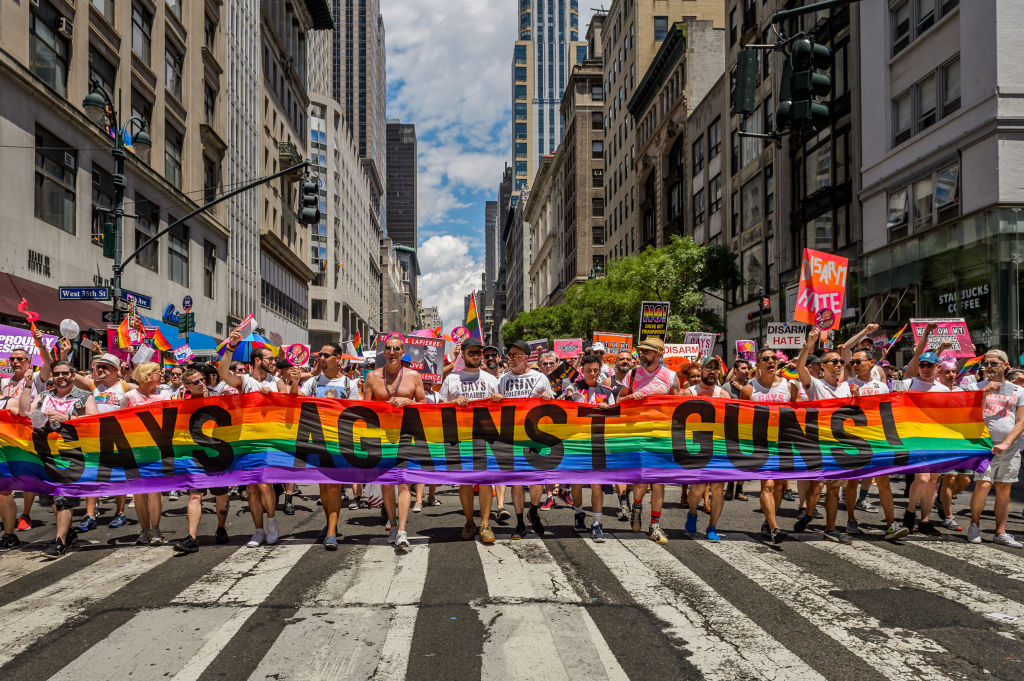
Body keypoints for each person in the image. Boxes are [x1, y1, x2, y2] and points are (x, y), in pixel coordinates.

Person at [17, 360, 97, 557]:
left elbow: (95, 422)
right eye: (56, 374)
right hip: (45, 454)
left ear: (72, 375)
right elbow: (23, 412)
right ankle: (68, 532)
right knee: (51, 496)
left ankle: (59, 542)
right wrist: (28, 386)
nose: (60, 377)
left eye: (64, 373)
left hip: (71, 455)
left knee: (63, 497)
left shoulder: (84, 397)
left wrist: (67, 419)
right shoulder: (45, 396)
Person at [217, 333, 286, 547]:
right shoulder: (245, 381)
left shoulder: (278, 382)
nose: (273, 362)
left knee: (266, 484)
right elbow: (222, 372)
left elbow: (288, 406)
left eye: (273, 359)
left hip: (269, 438)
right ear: (257, 361)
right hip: (247, 438)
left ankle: (272, 521)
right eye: (269, 359)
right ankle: (258, 530)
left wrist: (273, 397)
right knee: (252, 487)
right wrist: (230, 347)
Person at [363, 334, 427, 549]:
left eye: (396, 349)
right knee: (387, 484)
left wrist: (408, 401)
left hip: (405, 434)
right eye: (388, 349)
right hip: (381, 436)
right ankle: (392, 524)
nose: (392, 352)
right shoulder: (372, 377)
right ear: (384, 352)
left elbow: (424, 405)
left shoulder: (413, 376)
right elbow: (365, 411)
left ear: (402, 352)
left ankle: (402, 530)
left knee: (404, 482)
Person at [793, 329, 856, 544]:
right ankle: (809, 512)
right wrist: (809, 343)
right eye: (833, 362)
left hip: (840, 445)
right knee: (817, 486)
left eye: (840, 361)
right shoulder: (815, 385)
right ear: (823, 367)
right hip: (818, 443)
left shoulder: (847, 388)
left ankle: (830, 529)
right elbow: (800, 367)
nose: (839, 365)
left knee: (833, 490)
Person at [618, 337, 680, 544]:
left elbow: (679, 407)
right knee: (641, 478)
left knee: (659, 481)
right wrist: (630, 399)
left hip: (662, 434)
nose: (642, 354)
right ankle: (636, 506)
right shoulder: (633, 373)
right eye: (641, 350)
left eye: (647, 351)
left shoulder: (671, 377)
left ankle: (655, 525)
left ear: (659, 354)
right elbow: (619, 400)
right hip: (638, 433)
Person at [845, 347, 911, 541]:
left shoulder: (881, 387)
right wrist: (853, 398)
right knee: (852, 482)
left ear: (871, 363)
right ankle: (850, 519)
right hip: (854, 440)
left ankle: (891, 524)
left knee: (884, 482)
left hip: (877, 439)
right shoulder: (847, 385)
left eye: (859, 361)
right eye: (853, 362)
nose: (855, 365)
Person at [440, 338, 501, 543]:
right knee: (464, 483)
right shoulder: (451, 379)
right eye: (472, 353)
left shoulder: (491, 379)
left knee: (485, 481)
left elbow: (502, 408)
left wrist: (497, 401)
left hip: (485, 438)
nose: (476, 356)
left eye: (478, 353)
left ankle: (485, 523)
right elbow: (439, 408)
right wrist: (453, 403)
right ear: (463, 355)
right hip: (460, 438)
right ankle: (469, 521)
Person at [301, 342, 361, 550]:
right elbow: (297, 400)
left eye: (325, 355)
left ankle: (331, 531)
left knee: (334, 486)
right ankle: (330, 523)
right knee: (324, 488)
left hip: (339, 443)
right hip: (316, 442)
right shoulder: (313, 382)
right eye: (320, 354)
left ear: (338, 358)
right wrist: (293, 383)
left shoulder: (349, 384)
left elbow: (355, 413)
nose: (321, 358)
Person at [492, 339, 552, 539]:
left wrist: (547, 396)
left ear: (527, 358)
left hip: (535, 436)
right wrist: (496, 399)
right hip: (512, 437)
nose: (512, 358)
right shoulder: (503, 380)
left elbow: (551, 405)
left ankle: (533, 510)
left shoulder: (540, 378)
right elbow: (495, 409)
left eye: (516, 355)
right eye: (509, 355)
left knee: (537, 479)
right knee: (516, 482)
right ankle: (519, 522)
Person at [740, 347, 799, 544]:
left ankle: (768, 521)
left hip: (783, 442)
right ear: (758, 365)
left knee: (780, 486)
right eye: (766, 358)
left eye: (774, 358)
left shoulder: (789, 387)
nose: (771, 361)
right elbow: (742, 418)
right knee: (768, 483)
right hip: (761, 444)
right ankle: (775, 528)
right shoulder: (748, 390)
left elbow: (799, 414)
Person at [895, 322, 949, 535]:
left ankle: (925, 520)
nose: (926, 369)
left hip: (937, 439)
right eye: (923, 365)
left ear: (938, 368)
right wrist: (926, 333)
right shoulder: (908, 383)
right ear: (918, 366)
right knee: (923, 478)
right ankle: (909, 513)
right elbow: (893, 404)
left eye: (930, 365)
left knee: (933, 480)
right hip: (915, 438)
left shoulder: (945, 389)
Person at [171, 366, 231, 554]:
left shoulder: (217, 396)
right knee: (195, 495)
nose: (202, 383)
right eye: (196, 382)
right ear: (187, 386)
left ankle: (221, 528)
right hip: (195, 456)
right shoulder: (182, 402)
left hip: (218, 453)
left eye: (202, 379)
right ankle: (192, 538)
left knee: (221, 494)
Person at [968, 350, 1024, 547]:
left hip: (1009, 448)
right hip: (983, 447)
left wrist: (1006, 443)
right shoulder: (976, 387)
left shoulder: (1018, 391)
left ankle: (1000, 531)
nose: (989, 367)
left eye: (993, 363)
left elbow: (1021, 421)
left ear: (1006, 366)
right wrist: (983, 392)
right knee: (983, 485)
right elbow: (964, 410)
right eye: (986, 364)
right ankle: (974, 524)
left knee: (1003, 488)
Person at [73, 352, 134, 531]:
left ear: (115, 370)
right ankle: (90, 515)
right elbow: (71, 375)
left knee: (117, 478)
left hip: (118, 439)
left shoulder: (126, 386)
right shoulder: (94, 385)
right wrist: (62, 352)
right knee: (92, 476)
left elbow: (148, 392)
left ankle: (120, 513)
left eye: (104, 367)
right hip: (94, 438)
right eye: (98, 366)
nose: (99, 369)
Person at [563, 353, 617, 542]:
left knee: (597, 485)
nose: (592, 374)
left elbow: (615, 419)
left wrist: (608, 411)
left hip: (599, 445)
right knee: (576, 484)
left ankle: (596, 523)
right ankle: (579, 513)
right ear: (582, 370)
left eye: (595, 370)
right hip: (577, 444)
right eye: (588, 370)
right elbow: (564, 412)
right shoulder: (573, 388)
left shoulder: (608, 392)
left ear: (600, 370)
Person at [124, 361, 172, 545]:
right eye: (157, 372)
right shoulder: (129, 397)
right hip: (136, 450)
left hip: (157, 449)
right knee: (138, 493)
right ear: (146, 375)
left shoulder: (165, 395)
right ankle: (144, 530)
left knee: (155, 491)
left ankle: (156, 529)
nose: (162, 374)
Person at [682, 357, 728, 542]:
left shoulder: (724, 395)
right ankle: (692, 512)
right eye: (708, 367)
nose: (712, 371)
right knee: (698, 488)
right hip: (695, 447)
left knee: (718, 488)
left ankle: (712, 526)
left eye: (715, 369)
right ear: (701, 370)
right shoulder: (689, 393)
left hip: (718, 446)